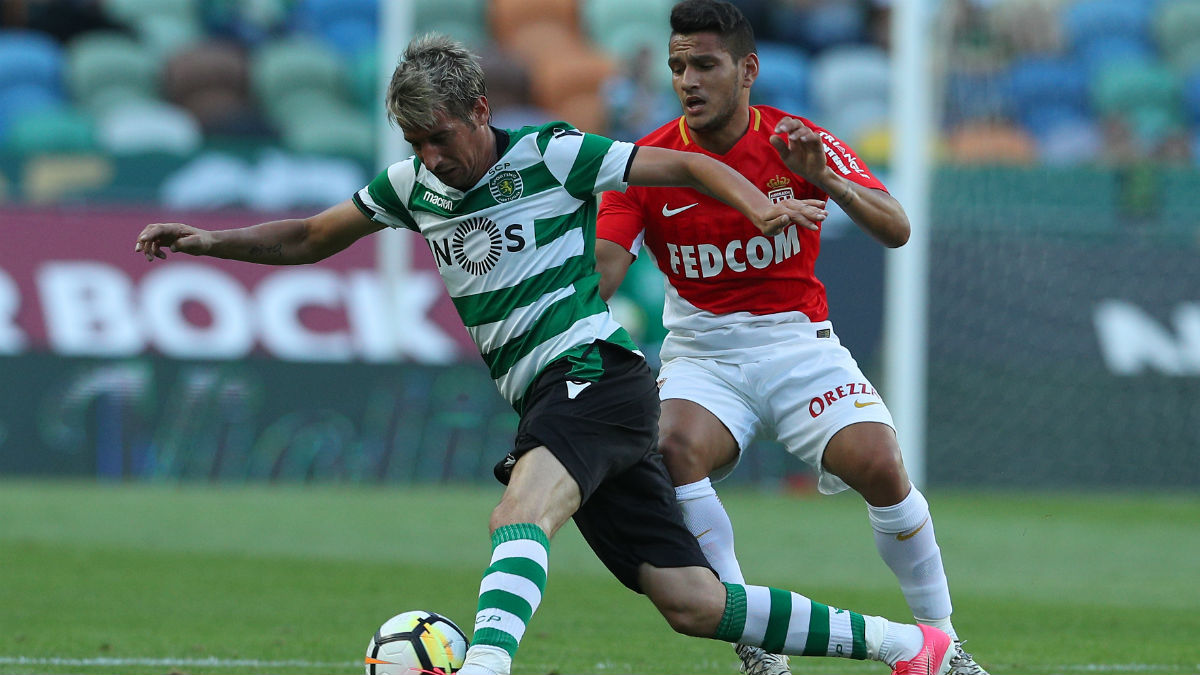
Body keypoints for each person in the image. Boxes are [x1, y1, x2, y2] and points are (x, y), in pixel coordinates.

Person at [134, 34, 953, 675]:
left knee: (519, 513)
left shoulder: (551, 155)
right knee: (694, 600)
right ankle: (905, 645)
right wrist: (210, 241)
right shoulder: (409, 188)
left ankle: (485, 660)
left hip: (592, 373)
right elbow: (312, 236)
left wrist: (758, 207)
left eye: (440, 137)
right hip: (555, 397)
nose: (430, 156)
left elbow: (688, 162)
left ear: (481, 111)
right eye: (415, 141)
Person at [595, 3, 990, 675]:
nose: (688, 80)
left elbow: (896, 227)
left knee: (881, 463)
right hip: (703, 353)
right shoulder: (648, 165)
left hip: (798, 343)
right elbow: (601, 273)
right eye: (677, 66)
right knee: (671, 448)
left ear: (747, 70)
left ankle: (943, 645)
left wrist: (826, 174)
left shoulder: (796, 141)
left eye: (705, 65)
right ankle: (755, 639)